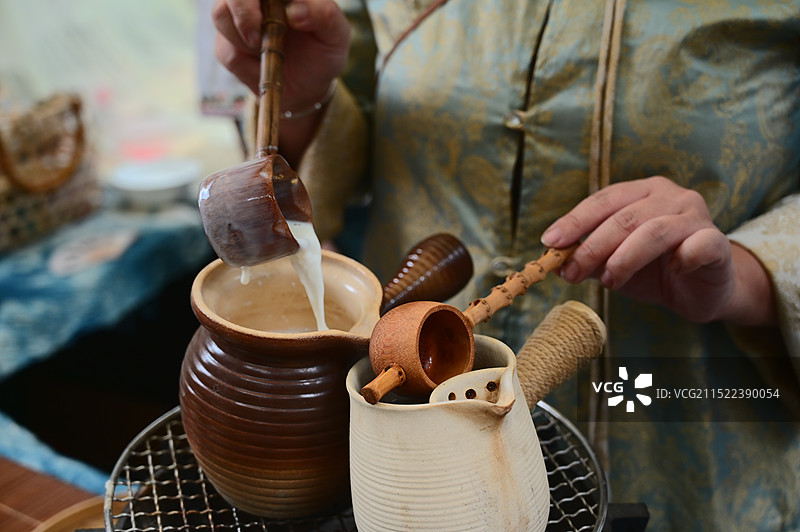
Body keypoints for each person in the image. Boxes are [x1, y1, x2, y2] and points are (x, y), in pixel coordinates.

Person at [211, 0, 800, 530]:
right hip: (391, 447)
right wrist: (307, 98)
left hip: (680, 423)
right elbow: (353, 116)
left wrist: (748, 271)